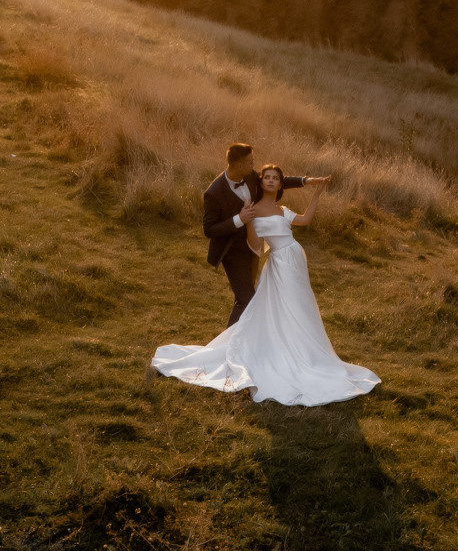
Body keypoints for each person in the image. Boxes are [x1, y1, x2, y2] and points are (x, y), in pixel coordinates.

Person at [154, 162, 380, 406]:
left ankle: (304, 351)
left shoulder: (281, 208)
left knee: (302, 307)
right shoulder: (255, 208)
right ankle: (283, 354)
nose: (271, 181)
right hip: (279, 263)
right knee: (285, 307)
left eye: (275, 178)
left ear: (280, 184)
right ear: (261, 182)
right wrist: (248, 219)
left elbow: (304, 220)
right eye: (267, 177)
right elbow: (256, 245)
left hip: (296, 259)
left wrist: (316, 193)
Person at [201, 142, 322, 327]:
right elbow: (209, 229)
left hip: (253, 248)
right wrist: (239, 219)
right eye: (250, 162)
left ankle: (246, 339)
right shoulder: (214, 192)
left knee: (246, 296)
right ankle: (230, 344)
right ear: (239, 165)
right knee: (247, 299)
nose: (254, 165)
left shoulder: (249, 176)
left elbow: (277, 181)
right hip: (232, 252)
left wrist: (305, 181)